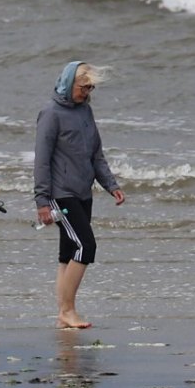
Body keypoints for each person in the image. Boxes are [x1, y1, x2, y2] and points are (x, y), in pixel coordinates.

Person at [33, 61, 126, 329]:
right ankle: (68, 310)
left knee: (68, 252)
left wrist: (111, 185)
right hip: (60, 194)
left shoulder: (85, 111)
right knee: (86, 246)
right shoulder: (51, 113)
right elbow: (41, 161)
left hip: (83, 192)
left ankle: (63, 314)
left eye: (91, 88)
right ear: (68, 83)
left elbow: (96, 154)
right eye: (84, 87)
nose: (87, 93)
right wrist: (42, 201)